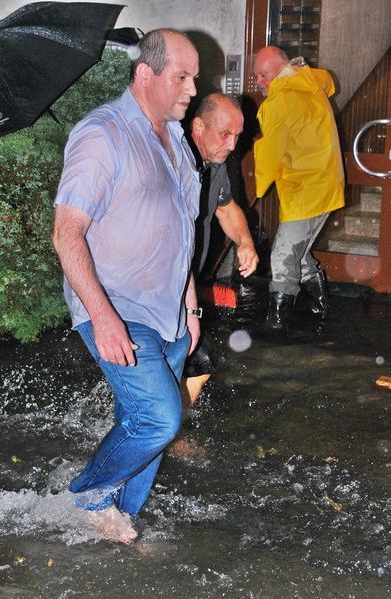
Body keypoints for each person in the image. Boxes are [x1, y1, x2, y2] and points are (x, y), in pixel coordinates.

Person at [52, 29, 201, 542]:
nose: (191, 89)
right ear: (145, 74)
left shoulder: (175, 139)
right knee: (159, 418)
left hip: (170, 313)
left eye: (194, 78)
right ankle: (89, 495)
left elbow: (181, 231)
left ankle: (121, 514)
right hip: (118, 306)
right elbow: (66, 232)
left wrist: (191, 308)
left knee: (140, 424)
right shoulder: (103, 133)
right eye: (181, 77)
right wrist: (102, 316)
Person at [253, 46, 345, 331]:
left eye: (263, 75)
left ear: (281, 68)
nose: (258, 82)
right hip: (326, 184)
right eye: (256, 76)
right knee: (300, 254)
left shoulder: (280, 99)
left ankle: (276, 325)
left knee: (283, 255)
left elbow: (271, 150)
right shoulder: (310, 81)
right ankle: (321, 312)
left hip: (306, 190)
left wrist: (254, 189)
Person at [181, 93, 258, 406]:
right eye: (225, 134)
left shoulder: (215, 165)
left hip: (185, 286)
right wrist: (187, 309)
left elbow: (226, 209)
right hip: (157, 290)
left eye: (237, 136)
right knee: (191, 359)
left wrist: (245, 242)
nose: (232, 145)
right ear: (199, 127)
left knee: (198, 363)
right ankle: (156, 426)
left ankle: (165, 425)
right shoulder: (174, 162)